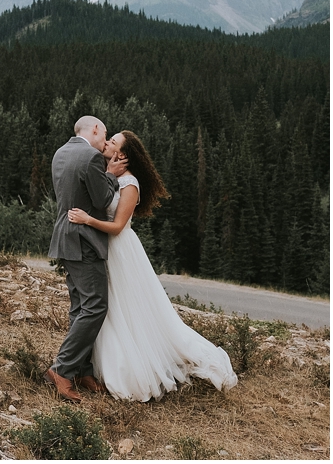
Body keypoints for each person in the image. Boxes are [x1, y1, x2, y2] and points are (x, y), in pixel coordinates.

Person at [67, 130, 238, 401]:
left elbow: (117, 226)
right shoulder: (106, 170)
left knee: (123, 308)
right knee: (105, 307)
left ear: (122, 154)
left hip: (120, 250)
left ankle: (126, 364)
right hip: (101, 249)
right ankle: (87, 366)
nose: (107, 142)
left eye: (113, 142)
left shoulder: (130, 184)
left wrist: (87, 220)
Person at [45, 115, 127, 402]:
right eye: (104, 134)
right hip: (84, 241)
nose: (105, 141)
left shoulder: (61, 152)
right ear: (94, 129)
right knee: (95, 306)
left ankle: (83, 370)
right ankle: (63, 369)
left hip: (64, 238)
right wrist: (112, 175)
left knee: (80, 305)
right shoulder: (92, 157)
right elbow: (103, 199)